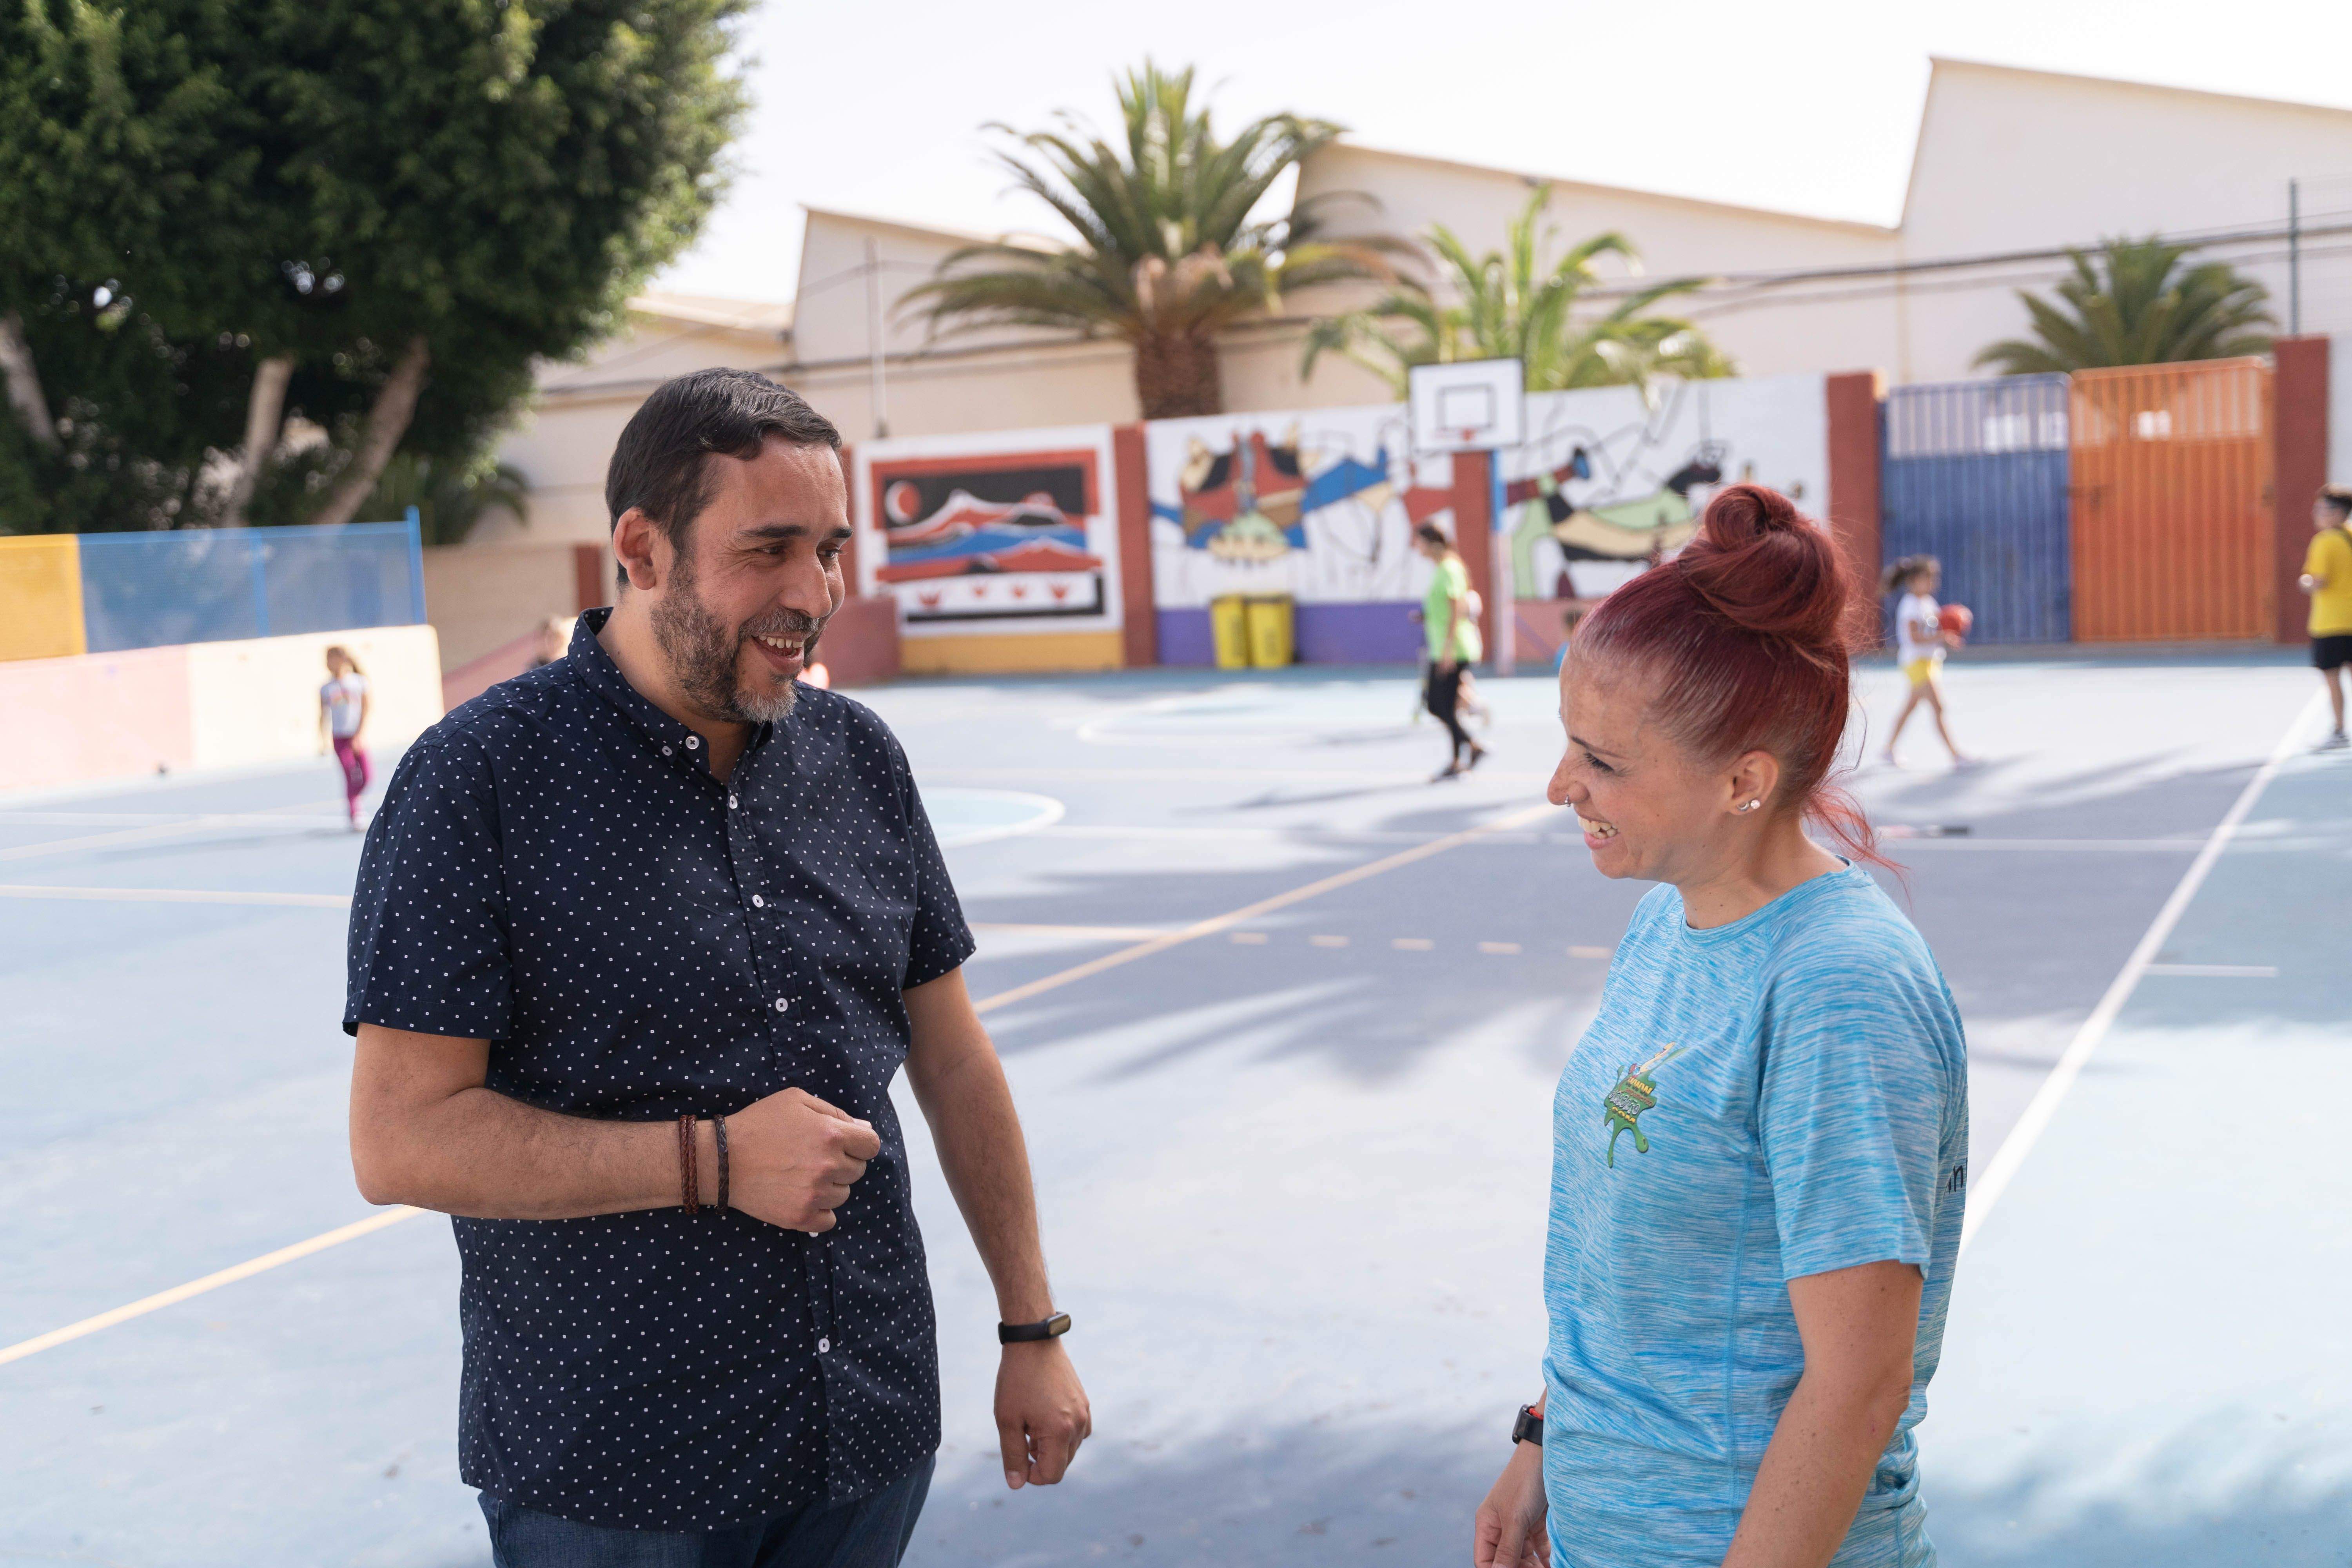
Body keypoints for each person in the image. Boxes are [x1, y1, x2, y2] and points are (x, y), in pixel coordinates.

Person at [344, 369, 1089, 1568]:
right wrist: (716, 1159)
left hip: (865, 1432)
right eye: (769, 549)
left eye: (832, 549)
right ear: (640, 548)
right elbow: (400, 1139)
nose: (814, 593)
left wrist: (1029, 1324)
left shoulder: (860, 759)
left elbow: (951, 1060)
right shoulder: (477, 780)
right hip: (618, 1472)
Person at [1475, 485, 1968, 1568]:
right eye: (1570, 744)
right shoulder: (1668, 923)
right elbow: (1636, 1266)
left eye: (1602, 761)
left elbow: (1860, 1380)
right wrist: (1547, 1439)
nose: (1561, 785)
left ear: (1744, 781)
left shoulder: (1839, 987)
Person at [1878, 555, 1969, 768]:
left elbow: (1936, 630)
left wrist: (1950, 633)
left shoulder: (1929, 603)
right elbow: (1915, 637)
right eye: (1928, 578)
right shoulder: (1910, 605)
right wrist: (1943, 637)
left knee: (1910, 707)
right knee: (1939, 707)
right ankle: (1956, 755)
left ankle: (1888, 749)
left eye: (1934, 578)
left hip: (1930, 662)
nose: (1933, 582)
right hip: (1916, 664)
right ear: (1913, 581)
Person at [1417, 522, 1487, 780]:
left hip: (1454, 649)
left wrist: (1447, 649)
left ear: (1430, 542)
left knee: (1439, 704)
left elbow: (1457, 606)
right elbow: (1443, 608)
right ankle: (1465, 753)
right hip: (1443, 648)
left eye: (1419, 542)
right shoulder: (1442, 569)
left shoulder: (1449, 568)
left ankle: (1465, 753)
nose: (1417, 548)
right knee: (1440, 705)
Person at [2299, 483, 2352, 750]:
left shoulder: (2324, 541)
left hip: (2331, 622)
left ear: (2339, 513)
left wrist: (2305, 582)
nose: (2317, 513)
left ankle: (2340, 730)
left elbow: (2318, 581)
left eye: (2324, 509)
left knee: (2332, 678)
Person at [317, 644, 371, 829]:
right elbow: (323, 715)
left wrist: (359, 734)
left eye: (332, 658)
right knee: (349, 774)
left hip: (355, 736)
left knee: (367, 776)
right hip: (339, 738)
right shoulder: (326, 688)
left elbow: (367, 708)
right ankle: (354, 812)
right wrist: (322, 739)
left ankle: (356, 800)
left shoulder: (359, 682)